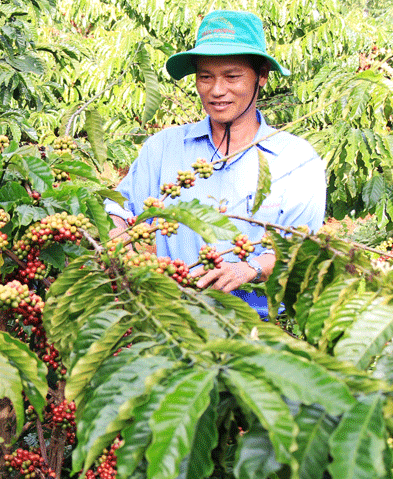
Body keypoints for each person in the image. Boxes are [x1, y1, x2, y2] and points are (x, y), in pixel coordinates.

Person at [105, 10, 326, 318]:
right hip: (174, 322)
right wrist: (125, 252)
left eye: (232, 76)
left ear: (261, 75)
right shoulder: (164, 148)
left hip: (257, 330)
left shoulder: (296, 160)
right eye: (205, 77)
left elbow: (303, 249)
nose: (216, 90)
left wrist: (249, 269)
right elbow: (118, 212)